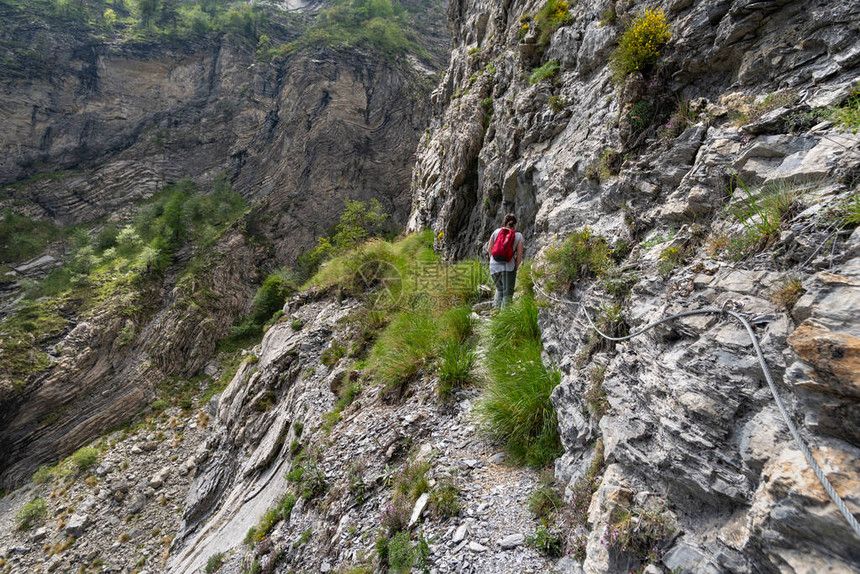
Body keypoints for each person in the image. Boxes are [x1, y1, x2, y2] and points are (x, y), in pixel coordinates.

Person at [488, 214, 524, 310]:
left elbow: (489, 249)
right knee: (507, 294)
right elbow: (519, 255)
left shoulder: (496, 232)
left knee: (499, 290)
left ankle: (494, 314)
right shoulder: (518, 235)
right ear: (515, 224)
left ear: (504, 222)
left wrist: (493, 262)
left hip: (493, 267)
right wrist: (515, 267)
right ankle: (504, 319)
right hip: (508, 267)